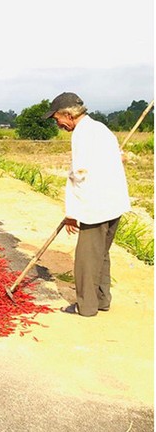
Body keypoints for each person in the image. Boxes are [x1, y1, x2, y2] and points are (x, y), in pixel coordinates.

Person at [44, 92, 131, 317]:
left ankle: (86, 307)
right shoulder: (101, 129)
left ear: (68, 114)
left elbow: (79, 175)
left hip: (97, 207)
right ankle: (102, 300)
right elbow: (118, 158)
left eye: (57, 119)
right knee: (101, 254)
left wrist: (72, 213)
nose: (58, 124)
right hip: (114, 203)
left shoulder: (82, 134)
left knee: (86, 259)